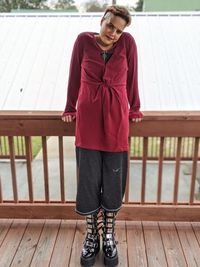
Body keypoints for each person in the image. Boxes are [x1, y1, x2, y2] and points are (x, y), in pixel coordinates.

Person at [62, 5, 143, 266]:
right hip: (87, 124)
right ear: (102, 20)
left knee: (113, 181)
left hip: (117, 123)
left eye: (119, 30)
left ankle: (108, 235)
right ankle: (91, 235)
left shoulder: (128, 43)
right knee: (88, 180)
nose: (114, 33)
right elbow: (74, 76)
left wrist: (135, 107)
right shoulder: (83, 42)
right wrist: (69, 106)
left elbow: (132, 80)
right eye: (111, 26)